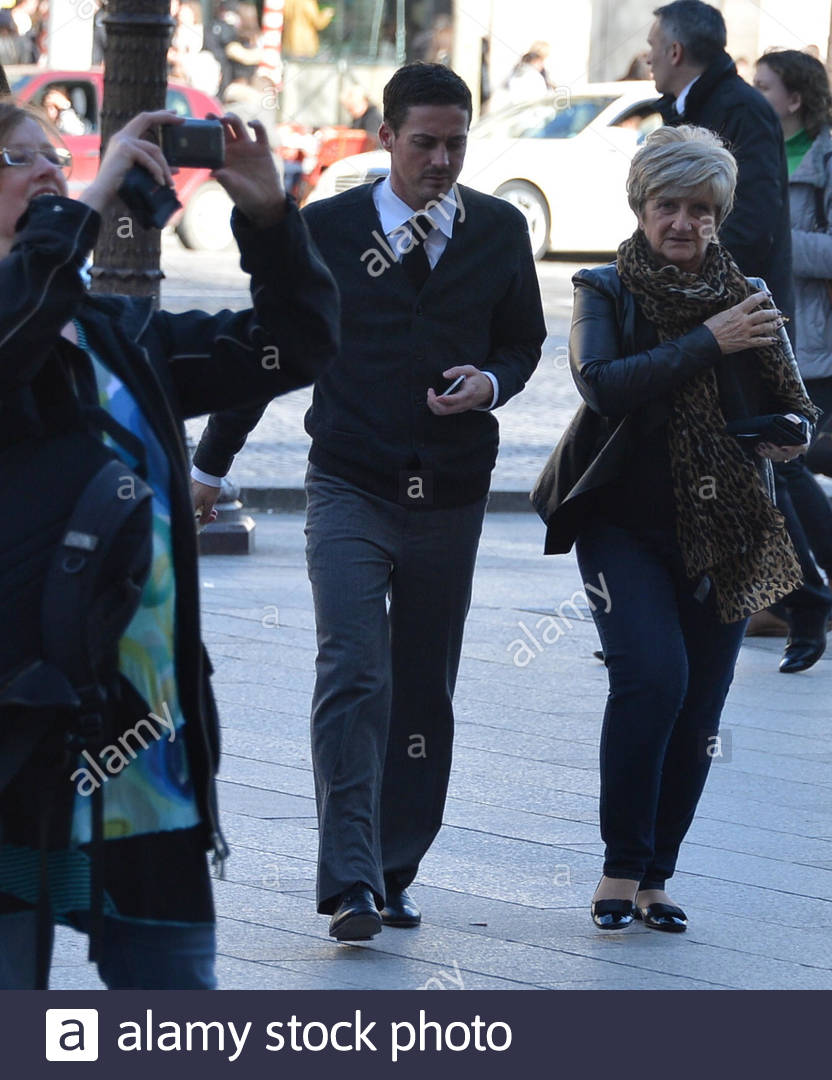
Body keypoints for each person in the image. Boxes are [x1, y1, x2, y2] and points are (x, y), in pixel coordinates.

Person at [190, 63, 546, 941]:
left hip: (451, 494)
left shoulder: (499, 231)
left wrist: (492, 381)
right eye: (423, 142)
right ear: (385, 137)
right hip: (349, 482)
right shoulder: (330, 230)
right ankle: (349, 881)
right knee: (355, 672)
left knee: (424, 691)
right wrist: (209, 467)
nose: (440, 160)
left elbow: (525, 339)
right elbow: (271, 351)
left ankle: (393, 869)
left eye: (456, 143)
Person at [0, 101, 338, 987]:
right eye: (15, 157)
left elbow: (291, 345)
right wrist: (84, 204)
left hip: (140, 736)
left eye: (51, 158)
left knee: (174, 1002)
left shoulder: (112, 336)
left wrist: (269, 218)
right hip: (15, 743)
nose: (45, 171)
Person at [531, 125, 816, 931]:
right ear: (641, 206)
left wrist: (791, 430)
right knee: (652, 678)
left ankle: (658, 876)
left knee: (700, 706)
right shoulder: (605, 287)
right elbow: (604, 385)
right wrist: (706, 341)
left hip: (726, 523)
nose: (683, 223)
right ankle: (619, 869)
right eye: (668, 205)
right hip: (622, 521)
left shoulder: (747, 292)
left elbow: (795, 399)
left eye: (700, 208)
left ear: (719, 214)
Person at [749, 50, 832, 663]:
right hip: (770, 341)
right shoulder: (757, 158)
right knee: (768, 463)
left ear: (794, 99)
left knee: (782, 462)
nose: (754, 95)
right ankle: (800, 588)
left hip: (819, 353)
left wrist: (777, 245)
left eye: (764, 86)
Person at [647, 1, 794, 334]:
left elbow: (750, 224)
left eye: (651, 46)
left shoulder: (743, 110)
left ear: (674, 52)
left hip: (736, 319)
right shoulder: (687, 107)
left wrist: (694, 291)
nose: (647, 57)